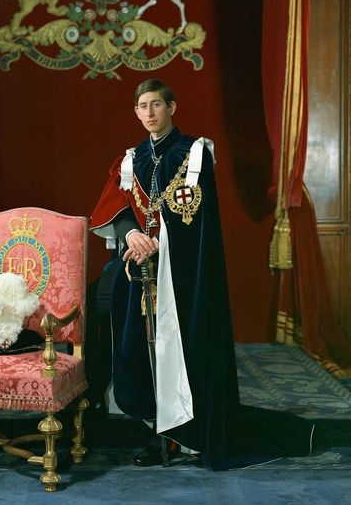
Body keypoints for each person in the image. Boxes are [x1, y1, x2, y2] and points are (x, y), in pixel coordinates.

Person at [89, 78, 315, 469]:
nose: (149, 113)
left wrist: (162, 243)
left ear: (171, 107)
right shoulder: (129, 159)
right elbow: (119, 208)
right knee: (134, 343)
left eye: (156, 104)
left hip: (183, 272)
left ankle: (186, 434)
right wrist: (131, 237)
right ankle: (153, 428)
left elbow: (197, 219)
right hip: (139, 269)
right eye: (142, 106)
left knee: (179, 349)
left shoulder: (194, 152)